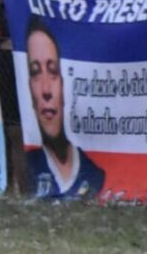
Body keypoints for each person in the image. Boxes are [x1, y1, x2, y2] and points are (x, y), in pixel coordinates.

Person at [23, 18, 105, 200]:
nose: (46, 91)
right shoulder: (29, 163)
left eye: (53, 72)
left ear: (64, 82)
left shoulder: (94, 173)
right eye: (35, 73)